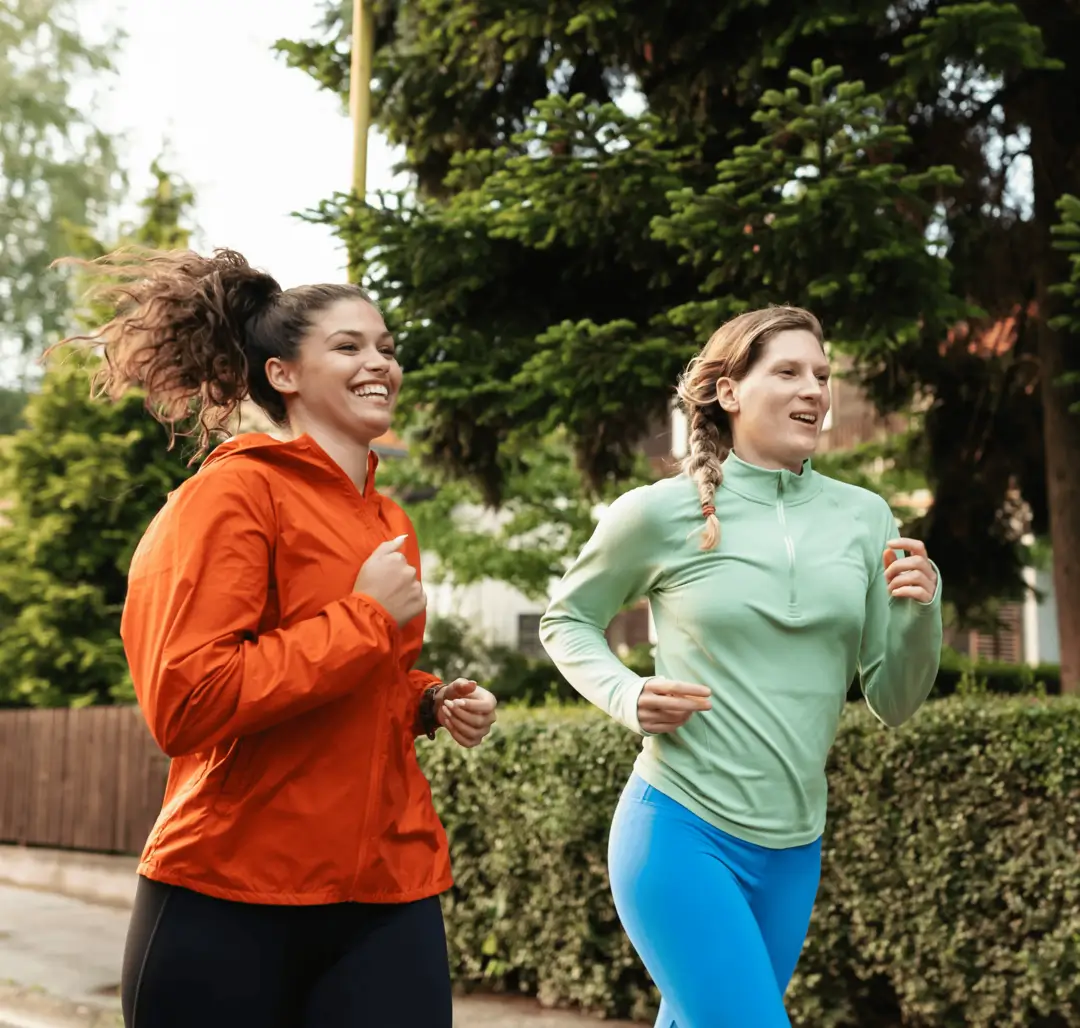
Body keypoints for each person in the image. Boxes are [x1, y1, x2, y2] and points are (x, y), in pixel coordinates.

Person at [54, 247, 498, 1028]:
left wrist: (428, 700)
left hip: (385, 891)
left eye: (387, 348)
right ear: (283, 375)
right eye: (349, 346)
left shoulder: (389, 520)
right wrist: (363, 618)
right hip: (229, 896)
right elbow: (186, 701)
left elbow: (360, 680)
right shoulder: (227, 497)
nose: (380, 364)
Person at [538, 305, 943, 1028]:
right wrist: (626, 695)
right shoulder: (659, 512)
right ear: (729, 392)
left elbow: (897, 701)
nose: (815, 389)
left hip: (794, 847)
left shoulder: (865, 517)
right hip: (678, 829)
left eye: (822, 374)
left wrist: (919, 611)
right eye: (787, 371)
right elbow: (566, 620)